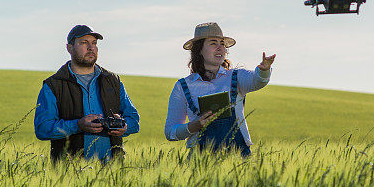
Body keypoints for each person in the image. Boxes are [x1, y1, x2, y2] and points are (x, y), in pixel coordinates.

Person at [164, 22, 275, 156]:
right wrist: (193, 126)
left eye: (222, 44)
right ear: (199, 50)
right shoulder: (183, 86)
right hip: (199, 163)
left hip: (239, 159)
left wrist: (264, 70)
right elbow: (170, 132)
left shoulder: (236, 76)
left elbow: (258, 81)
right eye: (213, 43)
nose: (220, 48)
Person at [35, 24, 139, 163]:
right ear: (69, 48)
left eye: (94, 43)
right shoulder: (53, 86)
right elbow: (42, 129)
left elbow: (134, 120)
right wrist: (77, 125)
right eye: (84, 43)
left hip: (113, 172)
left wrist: (124, 126)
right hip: (69, 174)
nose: (91, 48)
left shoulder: (113, 81)